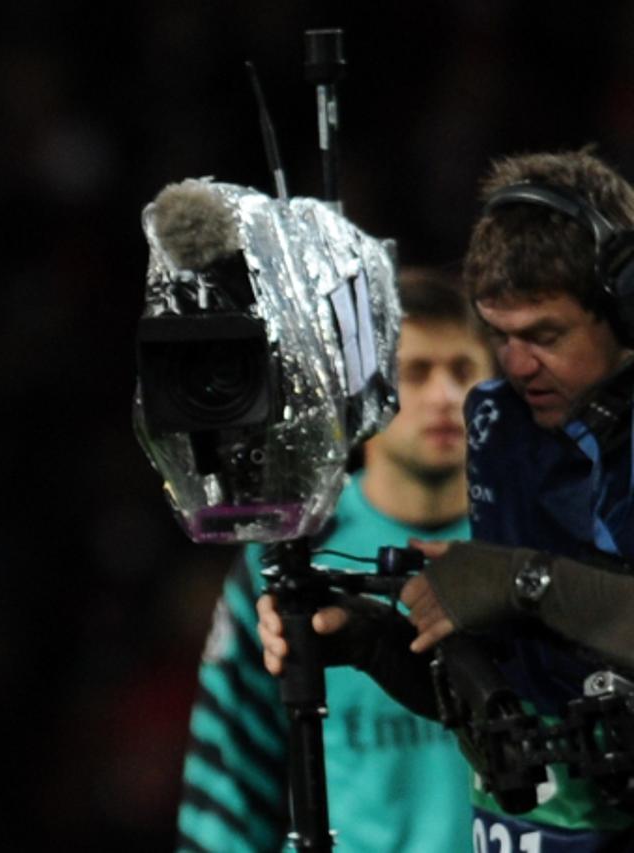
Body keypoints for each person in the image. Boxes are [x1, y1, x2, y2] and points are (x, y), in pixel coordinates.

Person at [263, 149, 634, 851]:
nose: (518, 364)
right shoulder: (502, 422)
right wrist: (374, 641)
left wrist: (519, 579)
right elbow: (516, 702)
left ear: (624, 306)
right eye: (499, 334)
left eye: (545, 335)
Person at [178, 271, 494, 853]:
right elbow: (229, 773)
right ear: (363, 393)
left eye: (463, 371)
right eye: (416, 372)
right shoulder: (290, 553)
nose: (444, 396)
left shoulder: (524, 546)